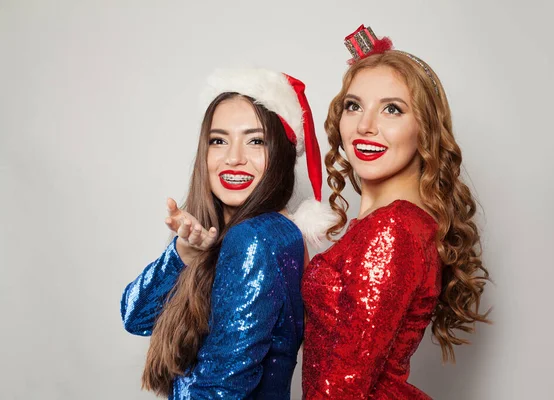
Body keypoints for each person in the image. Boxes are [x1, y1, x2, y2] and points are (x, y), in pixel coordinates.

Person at [302, 25, 491, 399]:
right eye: (353, 106)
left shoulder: (391, 231)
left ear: (425, 130)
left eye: (392, 109)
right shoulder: (394, 225)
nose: (365, 126)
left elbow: (341, 388)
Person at [121, 68, 332, 399]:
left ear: (280, 154)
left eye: (255, 141)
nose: (234, 158)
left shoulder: (257, 238)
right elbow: (136, 317)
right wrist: (184, 254)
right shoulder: (259, 234)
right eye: (218, 141)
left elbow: (220, 389)